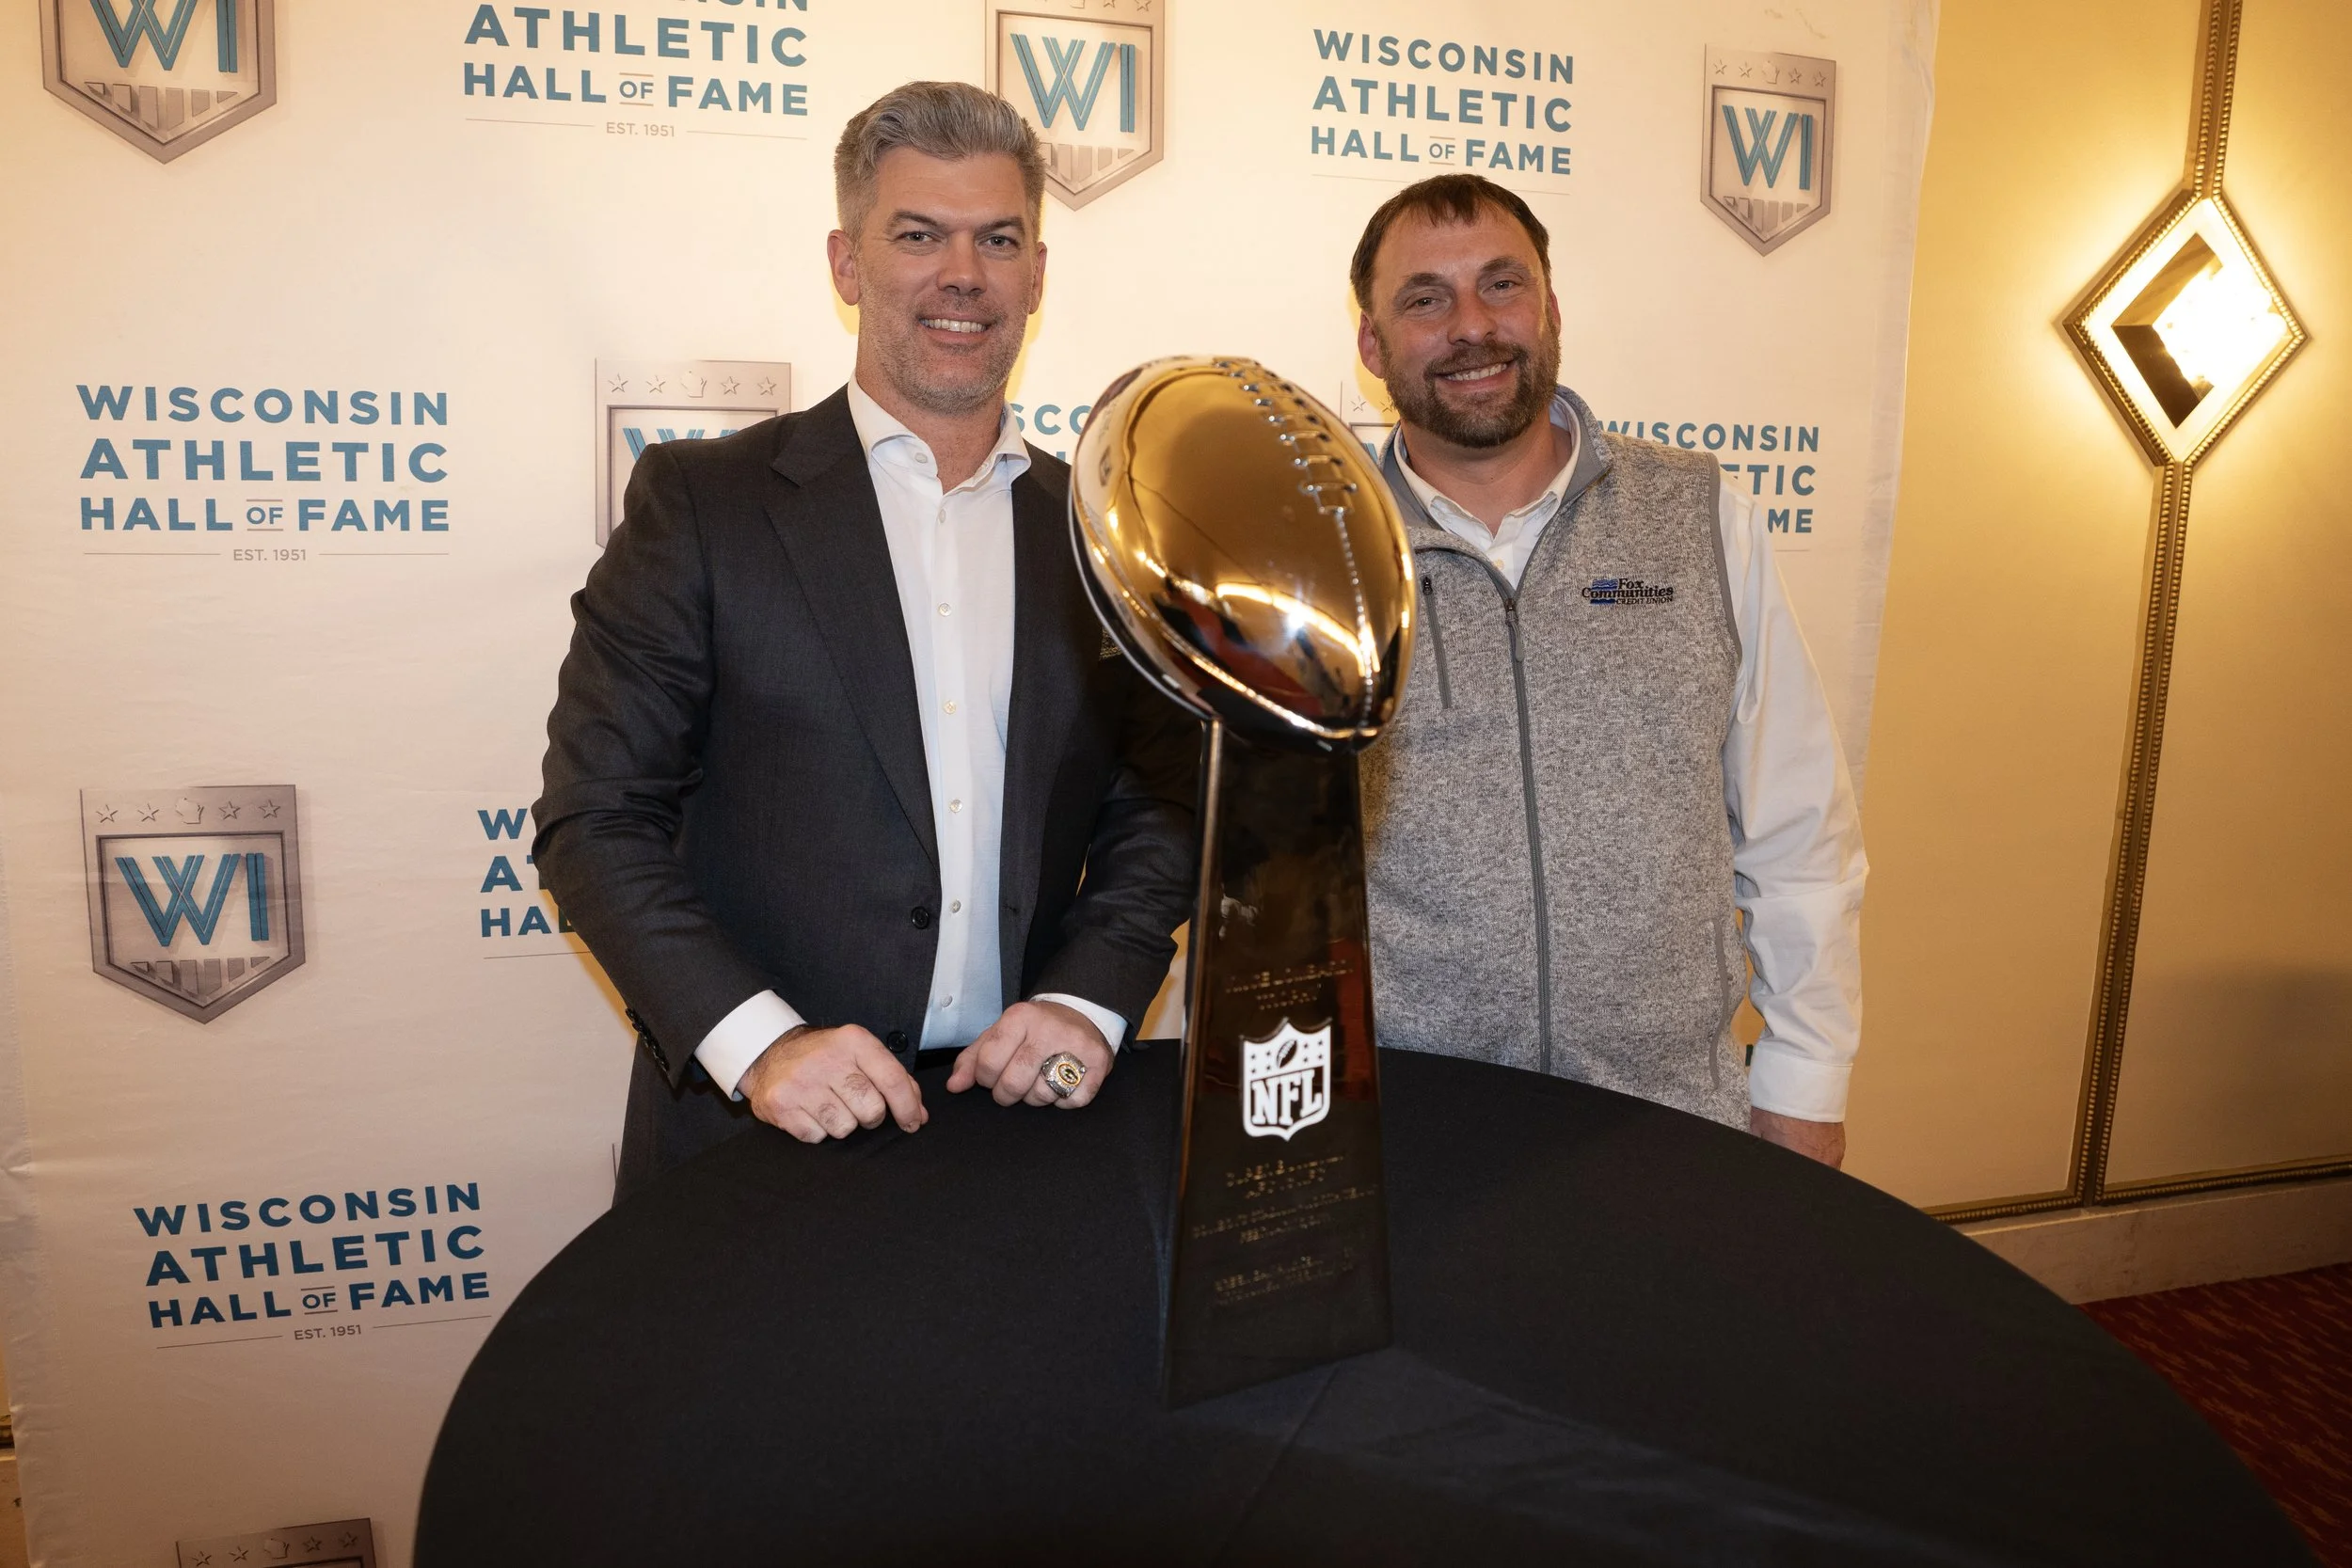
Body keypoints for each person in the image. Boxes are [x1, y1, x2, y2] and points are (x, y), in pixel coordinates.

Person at [534, 82, 1195, 1198]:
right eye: (917, 236)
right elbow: (595, 817)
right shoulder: (706, 502)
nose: (962, 275)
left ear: (1037, 274)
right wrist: (760, 1046)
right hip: (754, 1137)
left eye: (997, 240)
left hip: (1022, 1128)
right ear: (847, 265)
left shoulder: (1105, 533)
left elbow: (1160, 806)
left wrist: (1087, 997)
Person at [1349, 174, 1866, 1166]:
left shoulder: (1699, 515)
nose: (1471, 326)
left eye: (1502, 286)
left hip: (1668, 1121)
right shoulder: (1311, 548)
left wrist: (1806, 1077)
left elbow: (1799, 828)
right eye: (1424, 298)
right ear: (1372, 346)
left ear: (1550, 311)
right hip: (1408, 1129)